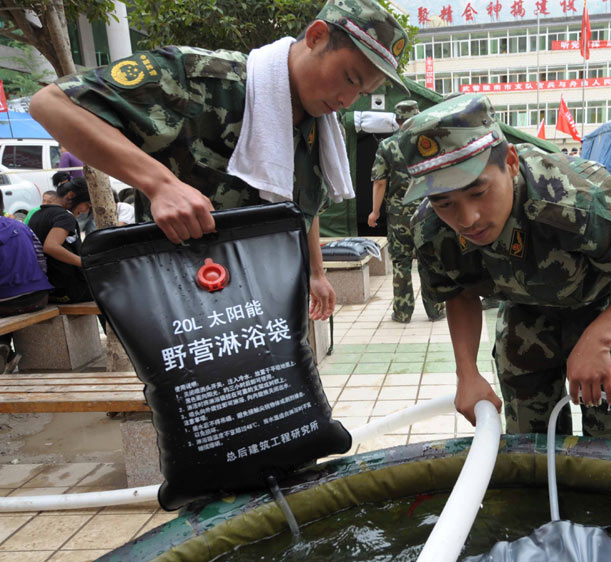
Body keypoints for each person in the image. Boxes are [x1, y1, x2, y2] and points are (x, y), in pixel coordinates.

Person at [29, 0, 410, 322]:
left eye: (363, 91)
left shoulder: (319, 124)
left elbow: (298, 208)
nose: (347, 100)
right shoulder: (197, 78)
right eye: (349, 78)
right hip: (189, 310)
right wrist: (160, 184)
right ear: (316, 36)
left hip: (272, 307)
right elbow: (52, 104)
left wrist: (316, 272)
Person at [405, 95, 611, 435]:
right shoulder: (432, 230)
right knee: (529, 438)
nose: (467, 219)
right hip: (526, 309)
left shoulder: (573, 198)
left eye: (478, 193)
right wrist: (467, 373)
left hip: (604, 303)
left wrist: (599, 339)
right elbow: (459, 293)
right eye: (445, 203)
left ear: (511, 162)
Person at [368, 100, 445, 323]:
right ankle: (435, 310)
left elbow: (379, 182)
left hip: (398, 215)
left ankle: (402, 312)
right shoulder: (429, 142)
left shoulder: (387, 146)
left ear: (397, 120)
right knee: (429, 261)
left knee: (400, 263)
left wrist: (374, 212)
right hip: (427, 212)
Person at [0, 193, 54, 373]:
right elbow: (41, 262)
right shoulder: (21, 226)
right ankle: (5, 350)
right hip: (37, 298)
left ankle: (4, 349)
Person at [27, 177, 93, 304]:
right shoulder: (65, 216)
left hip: (46, 287)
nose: (86, 210)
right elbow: (51, 247)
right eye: (87, 205)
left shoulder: (36, 214)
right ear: (71, 196)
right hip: (66, 290)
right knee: (111, 289)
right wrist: (84, 262)